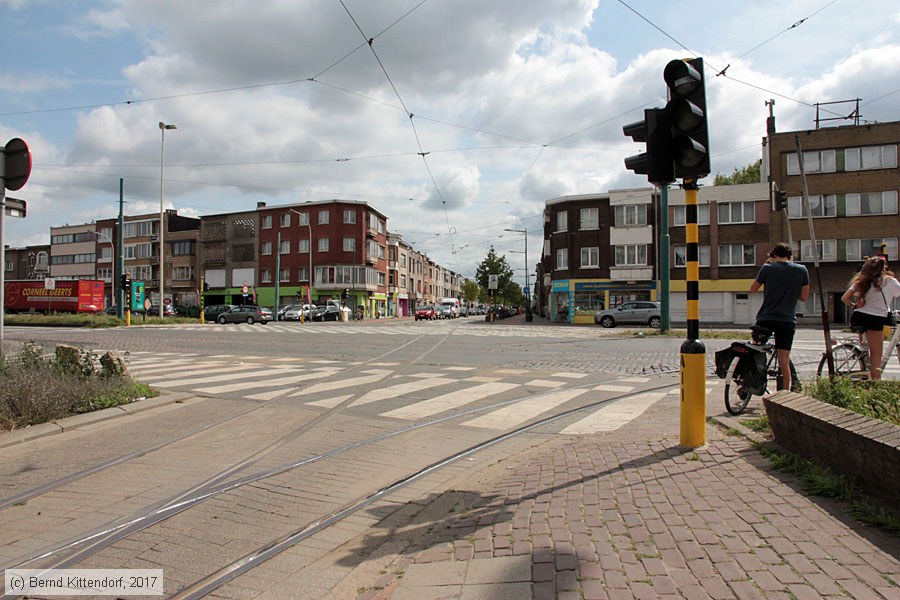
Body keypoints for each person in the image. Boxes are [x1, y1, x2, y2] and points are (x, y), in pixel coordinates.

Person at [749, 242, 810, 392]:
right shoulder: (802, 270)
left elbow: (753, 289)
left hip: (766, 318)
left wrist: (765, 267)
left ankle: (751, 384)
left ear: (774, 255)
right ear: (790, 256)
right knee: (783, 359)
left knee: (755, 349)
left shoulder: (768, 268)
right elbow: (804, 297)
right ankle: (785, 393)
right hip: (787, 319)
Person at [840, 256, 900, 380]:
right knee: (876, 356)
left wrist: (854, 305)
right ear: (884, 267)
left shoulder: (861, 281)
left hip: (859, 317)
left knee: (867, 348)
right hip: (876, 319)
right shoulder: (890, 281)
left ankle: (863, 364)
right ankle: (875, 384)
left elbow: (844, 298)